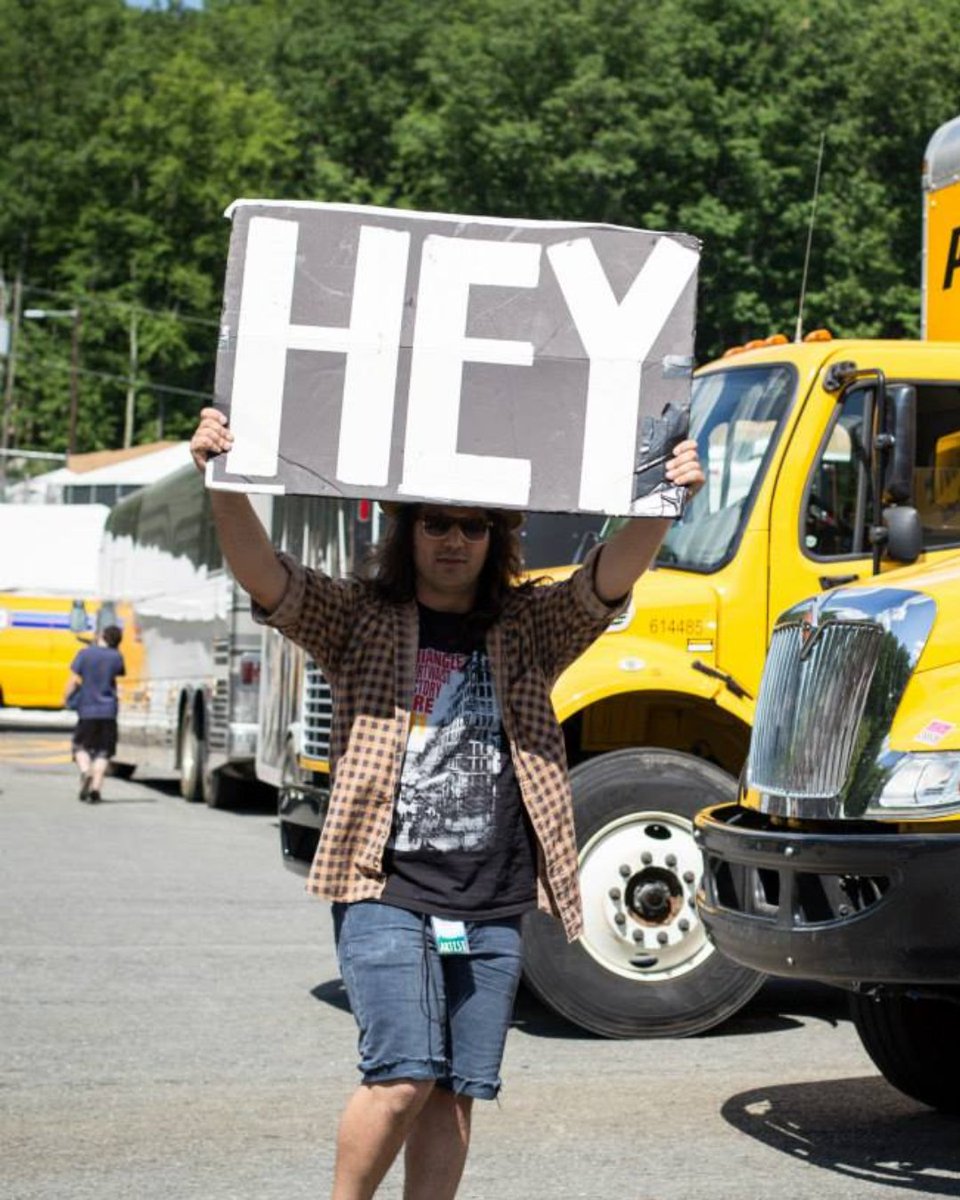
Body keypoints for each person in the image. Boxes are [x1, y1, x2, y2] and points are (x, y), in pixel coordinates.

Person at [189, 407, 703, 1200]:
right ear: (409, 532)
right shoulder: (362, 619)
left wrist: (662, 498)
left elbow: (609, 575)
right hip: (385, 889)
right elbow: (267, 576)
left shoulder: (528, 626)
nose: (454, 540)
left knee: (455, 1088)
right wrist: (223, 481)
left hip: (492, 899)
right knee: (400, 1076)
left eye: (474, 526)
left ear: (497, 540)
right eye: (437, 524)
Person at [65, 624, 125, 804]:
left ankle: (85, 772)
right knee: (104, 751)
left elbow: (74, 680)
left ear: (102, 636)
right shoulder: (117, 657)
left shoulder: (85, 654)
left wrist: (66, 698)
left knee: (80, 746)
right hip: (109, 711)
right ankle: (96, 790)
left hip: (87, 709)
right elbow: (118, 676)